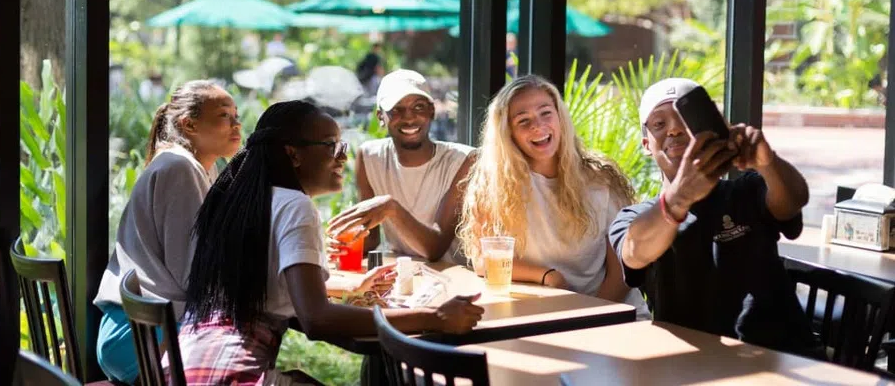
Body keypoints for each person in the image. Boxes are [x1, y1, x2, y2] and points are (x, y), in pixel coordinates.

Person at [180, 101, 484, 385]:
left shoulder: (242, 199)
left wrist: (350, 287)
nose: (343, 156)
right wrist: (435, 317)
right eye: (331, 146)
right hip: (230, 372)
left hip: (188, 365)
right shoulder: (294, 206)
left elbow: (266, 281)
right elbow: (317, 319)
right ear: (294, 155)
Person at [608, 78, 819, 355]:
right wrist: (679, 198)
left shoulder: (747, 191)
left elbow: (792, 201)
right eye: (659, 124)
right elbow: (635, 252)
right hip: (692, 362)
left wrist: (768, 163)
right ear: (647, 144)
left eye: (684, 119)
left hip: (778, 355)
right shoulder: (634, 218)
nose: (673, 130)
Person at [456, 75, 649, 315]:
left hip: (610, 312)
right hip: (545, 315)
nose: (537, 126)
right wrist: (548, 276)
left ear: (560, 117)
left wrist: (589, 317)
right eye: (523, 120)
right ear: (508, 133)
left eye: (545, 113)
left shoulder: (601, 179)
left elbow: (622, 270)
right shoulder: (492, 185)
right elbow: (484, 262)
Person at [93, 80, 243, 384]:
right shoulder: (180, 168)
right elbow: (193, 274)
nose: (236, 124)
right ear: (189, 125)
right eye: (225, 116)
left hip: (140, 328)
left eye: (236, 115)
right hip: (142, 337)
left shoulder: (197, 166)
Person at [327, 69, 475, 263]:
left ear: (432, 111)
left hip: (455, 279)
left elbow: (435, 249)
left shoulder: (464, 160)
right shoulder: (370, 156)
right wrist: (343, 244)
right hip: (401, 278)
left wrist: (391, 207)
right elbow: (371, 239)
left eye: (419, 107)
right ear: (381, 117)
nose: (409, 118)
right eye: (396, 109)